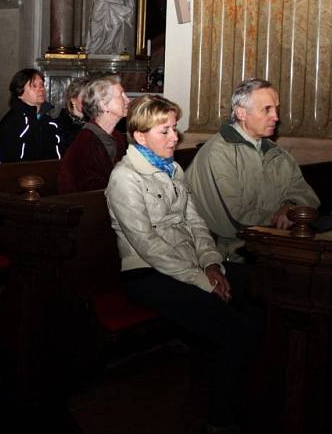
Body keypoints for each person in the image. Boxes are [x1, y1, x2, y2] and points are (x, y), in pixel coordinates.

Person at [106, 95, 260, 432]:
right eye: (165, 131)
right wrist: (201, 279)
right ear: (140, 136)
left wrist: (212, 264)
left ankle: (254, 396)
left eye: (175, 128)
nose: (175, 137)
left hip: (190, 267)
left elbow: (196, 223)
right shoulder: (125, 178)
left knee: (259, 284)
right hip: (146, 275)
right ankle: (221, 418)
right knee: (238, 332)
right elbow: (147, 244)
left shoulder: (173, 169)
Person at [185, 79, 319, 262]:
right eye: (267, 109)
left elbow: (305, 194)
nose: (276, 117)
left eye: (276, 108)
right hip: (232, 254)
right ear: (241, 112)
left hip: (272, 245)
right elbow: (233, 220)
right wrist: (281, 217)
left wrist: (291, 206)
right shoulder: (218, 153)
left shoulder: (276, 153)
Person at [57, 76, 129, 193]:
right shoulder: (87, 141)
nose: (128, 100)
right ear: (104, 105)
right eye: (121, 95)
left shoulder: (117, 136)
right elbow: (91, 187)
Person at [0, 69, 62, 163]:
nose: (41, 89)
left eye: (42, 85)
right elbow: (9, 161)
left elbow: (57, 155)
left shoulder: (49, 121)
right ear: (20, 92)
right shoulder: (15, 121)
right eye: (34, 86)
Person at [55, 78, 90, 153]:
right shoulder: (60, 126)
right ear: (73, 100)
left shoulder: (95, 122)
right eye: (85, 97)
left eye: (90, 97)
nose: (89, 101)